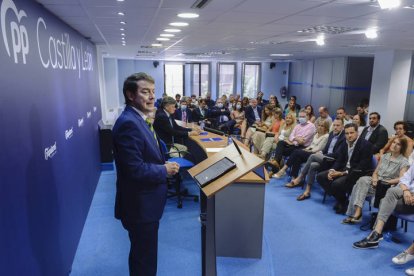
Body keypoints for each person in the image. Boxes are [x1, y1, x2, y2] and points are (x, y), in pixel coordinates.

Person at [112, 72, 180, 275]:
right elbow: (134, 170)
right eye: (145, 92)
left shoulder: (139, 119)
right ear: (130, 95)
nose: (152, 97)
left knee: (145, 256)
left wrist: (161, 163)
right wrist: (163, 170)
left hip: (146, 203)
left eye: (153, 91)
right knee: (144, 261)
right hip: (139, 205)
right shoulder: (128, 123)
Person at [342, 137, 409, 224]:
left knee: (356, 186)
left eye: (398, 144)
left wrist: (386, 182)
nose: (395, 145)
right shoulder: (385, 156)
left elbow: (401, 179)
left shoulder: (404, 161)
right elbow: (376, 172)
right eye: (393, 143)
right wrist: (374, 179)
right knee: (362, 180)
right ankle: (358, 212)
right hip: (376, 182)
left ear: (402, 147)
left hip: (387, 186)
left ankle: (355, 215)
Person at [353, 163, 414, 249]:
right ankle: (377, 233)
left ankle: (374, 236)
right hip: (408, 191)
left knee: (384, 201)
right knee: (391, 191)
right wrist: (406, 190)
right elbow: (404, 179)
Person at [316, 123, 373, 214]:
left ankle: (341, 201)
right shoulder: (344, 143)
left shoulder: (366, 145)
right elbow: (339, 160)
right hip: (344, 169)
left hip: (357, 173)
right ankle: (342, 199)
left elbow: (362, 166)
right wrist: (332, 170)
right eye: (347, 133)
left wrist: (342, 173)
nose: (349, 135)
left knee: (336, 184)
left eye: (352, 133)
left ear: (357, 133)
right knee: (320, 176)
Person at [295, 118, 346, 200]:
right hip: (326, 158)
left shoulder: (344, 137)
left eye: (338, 125)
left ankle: (300, 177)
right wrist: (321, 153)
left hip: (334, 161)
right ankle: (307, 191)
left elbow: (338, 154)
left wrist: (323, 155)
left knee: (312, 156)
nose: (335, 127)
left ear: (342, 126)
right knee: (313, 165)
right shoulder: (331, 134)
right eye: (334, 125)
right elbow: (325, 149)